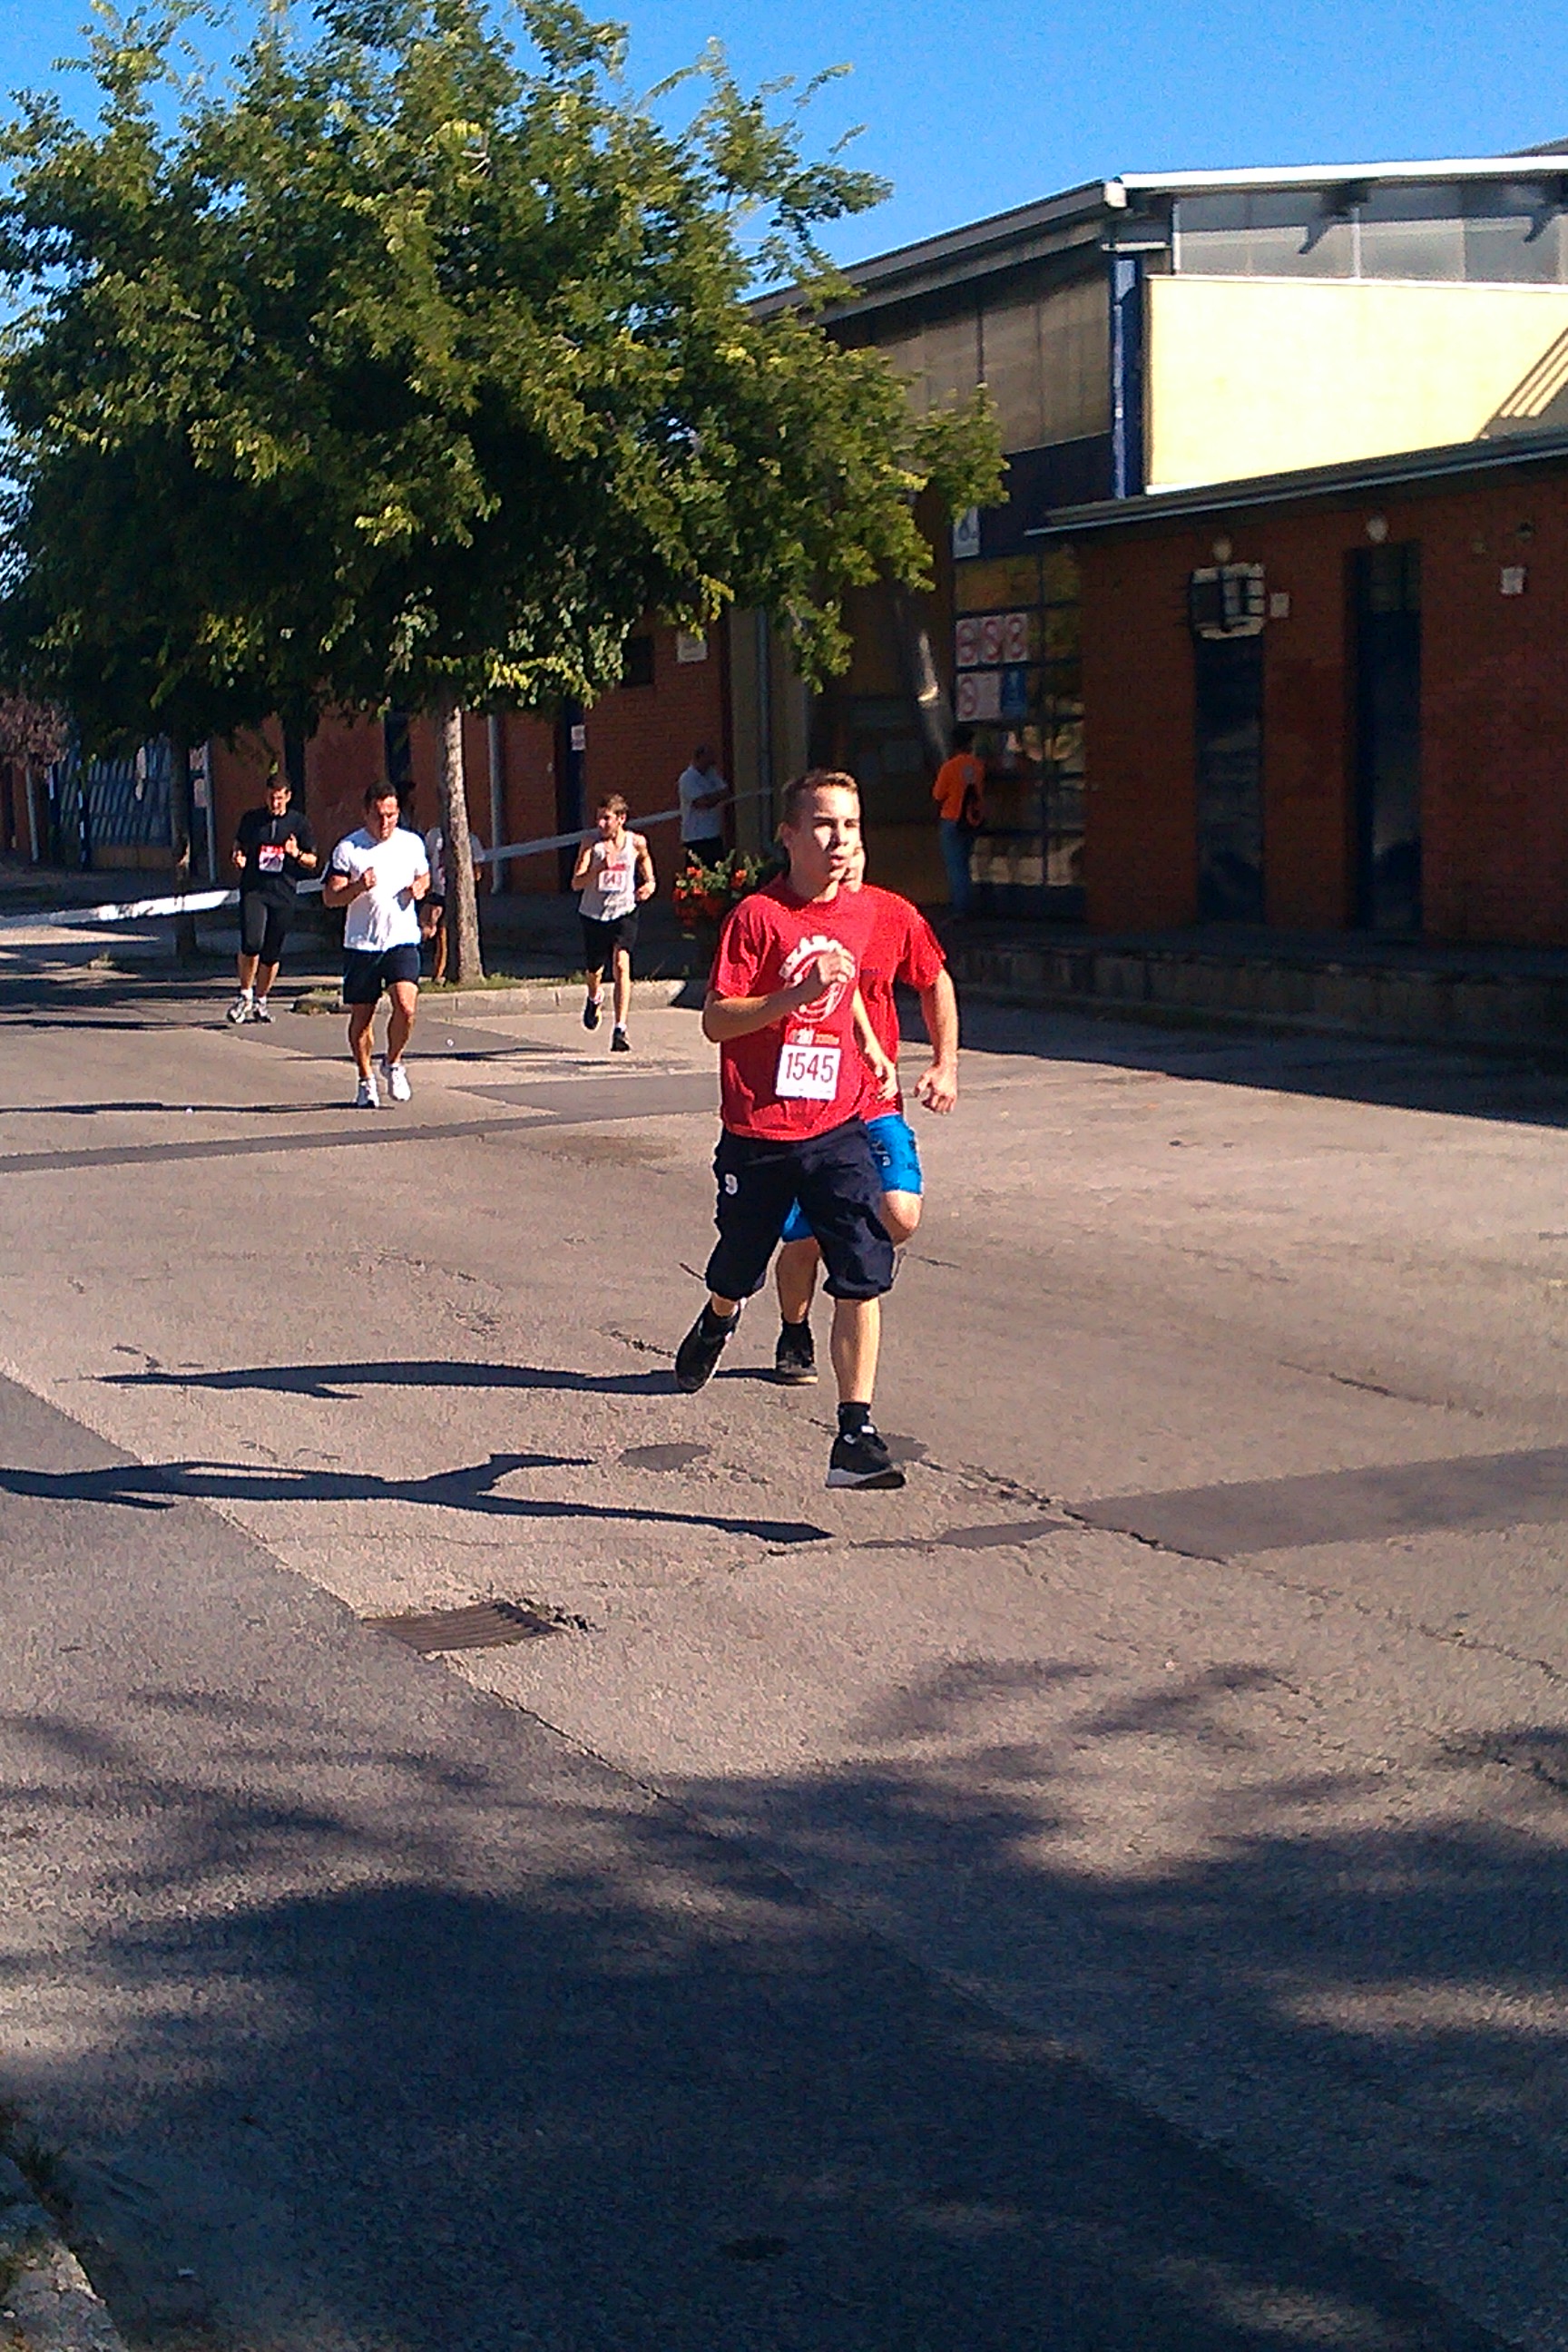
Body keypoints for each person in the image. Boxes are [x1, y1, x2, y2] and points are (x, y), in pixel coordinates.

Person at [673, 769, 906, 1491]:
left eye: (852, 825)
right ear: (790, 835)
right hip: (759, 1131)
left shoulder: (860, 911)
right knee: (739, 1265)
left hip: (837, 1125)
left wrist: (867, 1041)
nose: (841, 840)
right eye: (826, 825)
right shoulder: (757, 917)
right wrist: (796, 993)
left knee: (862, 1269)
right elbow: (717, 1020)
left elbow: (844, 985)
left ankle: (855, 1433)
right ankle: (719, 1315)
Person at [772, 847, 959, 1384]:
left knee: (900, 1212)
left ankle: (852, 1260)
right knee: (802, 1241)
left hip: (875, 1100)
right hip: (808, 1109)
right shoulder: (785, 916)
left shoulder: (891, 914)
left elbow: (935, 979)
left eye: (855, 844)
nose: (847, 857)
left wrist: (945, 1064)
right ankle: (794, 1331)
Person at [323, 783, 430, 1108]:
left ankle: (393, 1062)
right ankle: (365, 1078)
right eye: (379, 815)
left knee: (406, 1007)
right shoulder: (349, 848)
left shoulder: (411, 843)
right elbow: (330, 897)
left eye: (391, 815)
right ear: (366, 813)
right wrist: (358, 886)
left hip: (401, 938)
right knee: (362, 1019)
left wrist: (420, 887)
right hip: (362, 944)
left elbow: (424, 876)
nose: (385, 822)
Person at [227, 769, 318, 1024]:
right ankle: (245, 995)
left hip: (283, 892)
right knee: (251, 942)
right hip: (254, 890)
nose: (274, 803)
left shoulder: (299, 823)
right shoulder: (252, 820)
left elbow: (313, 860)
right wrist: (238, 857)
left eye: (279, 798)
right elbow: (238, 846)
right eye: (270, 797)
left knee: (271, 951)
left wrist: (295, 853)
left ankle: (261, 1000)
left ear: (288, 797)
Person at [572, 794, 654, 1053]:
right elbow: (576, 882)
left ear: (621, 819)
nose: (601, 824)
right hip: (594, 914)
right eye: (598, 818)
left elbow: (644, 859)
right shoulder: (591, 845)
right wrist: (597, 869)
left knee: (621, 964)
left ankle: (620, 1029)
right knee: (594, 971)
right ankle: (594, 997)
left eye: (606, 818)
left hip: (624, 911)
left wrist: (650, 883)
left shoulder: (636, 842)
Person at [931, 724, 985, 918]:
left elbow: (938, 794)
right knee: (966, 862)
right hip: (972, 819)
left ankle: (961, 908)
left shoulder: (949, 767)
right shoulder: (978, 766)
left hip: (951, 819)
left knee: (955, 865)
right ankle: (969, 902)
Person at [420, 821, 485, 985]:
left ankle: (437, 975)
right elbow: (426, 860)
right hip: (435, 891)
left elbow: (477, 871)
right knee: (425, 928)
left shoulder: (471, 840)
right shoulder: (434, 835)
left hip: (453, 894)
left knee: (443, 935)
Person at [677, 744, 730, 866]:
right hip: (696, 838)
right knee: (697, 873)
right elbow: (701, 802)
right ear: (699, 757)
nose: (712, 762)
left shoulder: (711, 774)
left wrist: (711, 798)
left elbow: (726, 792)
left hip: (713, 834)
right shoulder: (688, 778)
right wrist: (715, 797)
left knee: (719, 870)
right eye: (708, 758)